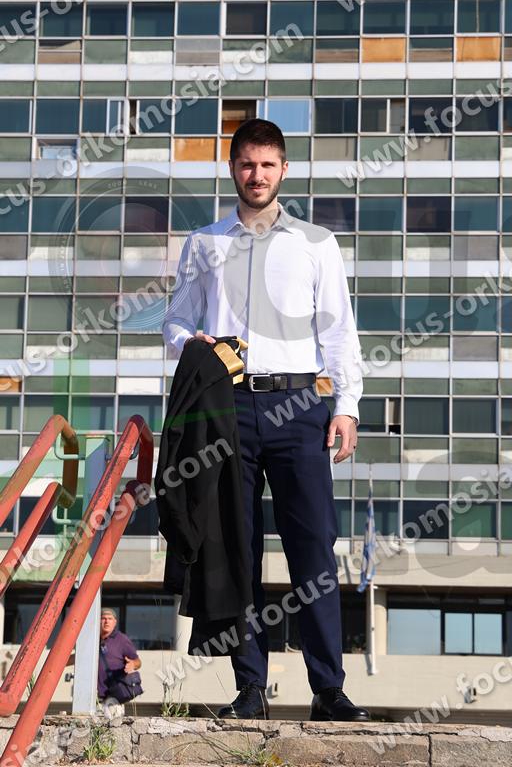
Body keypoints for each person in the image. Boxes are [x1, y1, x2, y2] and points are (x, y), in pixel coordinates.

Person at [162, 118, 369, 722]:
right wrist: (191, 342)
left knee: (315, 547)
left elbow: (339, 332)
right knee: (237, 547)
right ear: (233, 169)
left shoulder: (316, 243)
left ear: (284, 170)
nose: (257, 175)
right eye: (248, 164)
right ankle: (250, 688)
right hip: (227, 410)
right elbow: (174, 321)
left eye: (268, 164)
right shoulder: (204, 244)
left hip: (300, 406)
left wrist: (347, 406)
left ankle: (328, 690)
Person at [97, 607, 141, 717]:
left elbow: (138, 661)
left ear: (115, 622)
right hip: (94, 698)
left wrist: (132, 664)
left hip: (114, 699)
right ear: (98, 621)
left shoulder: (121, 640)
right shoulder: (93, 639)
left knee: (113, 727)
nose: (106, 621)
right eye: (103, 618)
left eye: (110, 618)